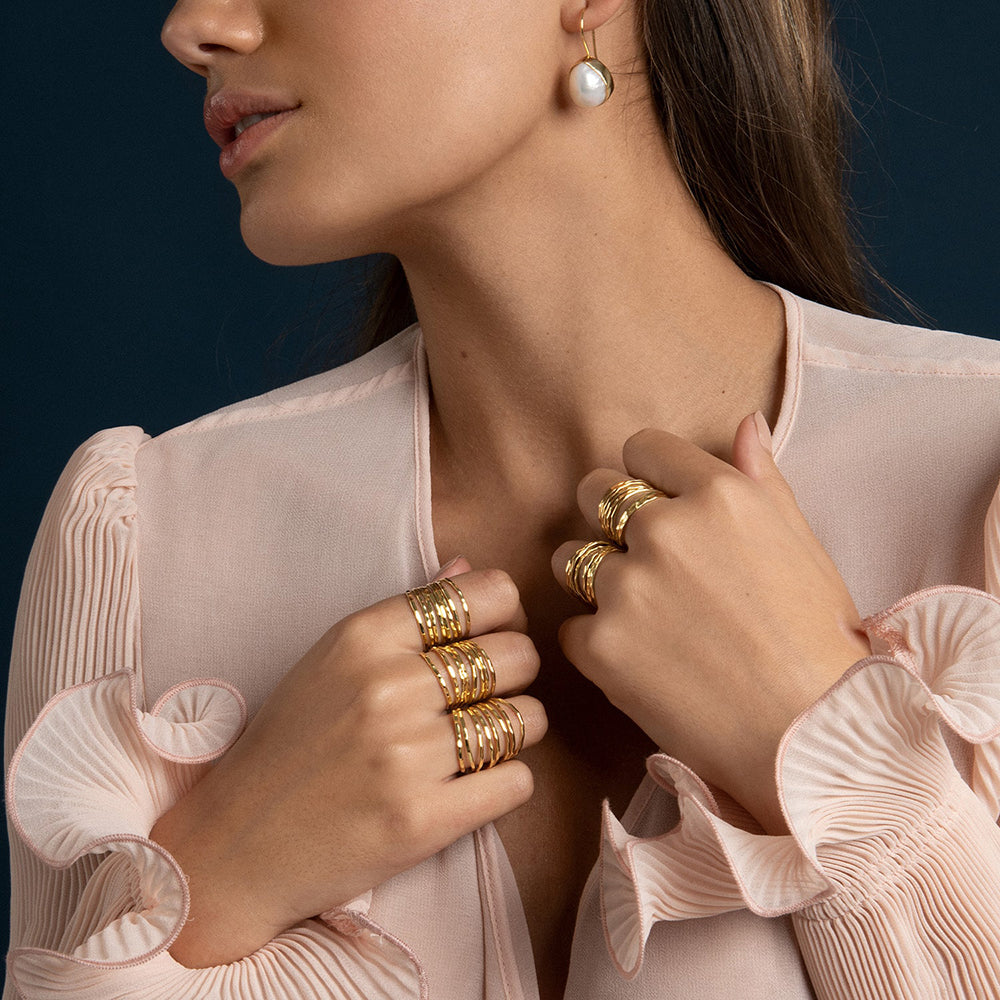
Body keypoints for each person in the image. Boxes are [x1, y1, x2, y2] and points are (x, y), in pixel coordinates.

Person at [4, 0, 1000, 996]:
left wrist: (839, 761)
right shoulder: (144, 539)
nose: (195, 28)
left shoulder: (977, 473)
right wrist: (217, 878)